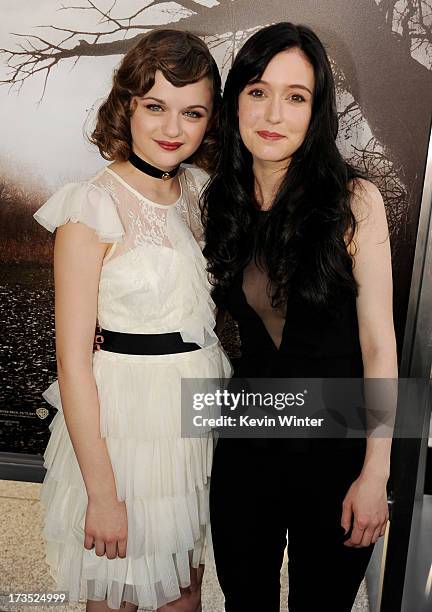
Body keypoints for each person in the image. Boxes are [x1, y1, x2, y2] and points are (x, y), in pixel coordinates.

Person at [33, 29, 231, 612]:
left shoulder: (200, 191)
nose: (173, 129)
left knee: (183, 591)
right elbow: (72, 358)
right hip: (123, 426)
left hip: (191, 414)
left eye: (192, 113)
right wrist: (102, 493)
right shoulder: (89, 204)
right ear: (127, 106)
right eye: (155, 107)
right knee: (117, 592)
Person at [202, 22, 396, 612]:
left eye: (296, 96)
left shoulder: (354, 200)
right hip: (247, 440)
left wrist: (376, 473)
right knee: (246, 603)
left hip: (339, 446)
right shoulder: (218, 202)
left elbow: (379, 345)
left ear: (317, 112)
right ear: (236, 99)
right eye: (258, 91)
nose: (273, 113)